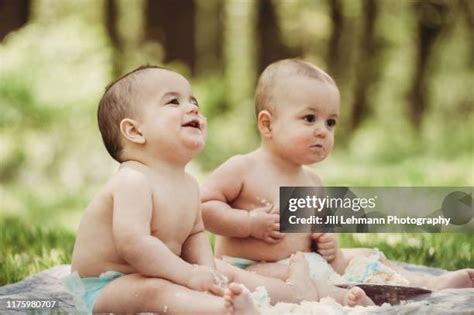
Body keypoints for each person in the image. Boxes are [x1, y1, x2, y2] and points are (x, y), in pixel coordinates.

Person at [64, 65, 366, 314]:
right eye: (174, 102)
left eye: (193, 101)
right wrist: (190, 275)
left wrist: (210, 273)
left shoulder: (187, 184)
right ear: (134, 130)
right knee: (154, 290)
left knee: (228, 272)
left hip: (165, 271)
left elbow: (196, 236)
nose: (192, 107)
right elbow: (135, 244)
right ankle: (224, 310)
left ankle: (302, 296)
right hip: (107, 286)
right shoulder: (133, 180)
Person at [201, 58, 474, 294]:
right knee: (300, 278)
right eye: (309, 118)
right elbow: (202, 208)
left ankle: (423, 284)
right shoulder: (243, 168)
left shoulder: (313, 181)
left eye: (330, 122)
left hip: (307, 265)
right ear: (267, 123)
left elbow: (318, 232)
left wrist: (328, 243)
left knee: (365, 257)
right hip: (251, 269)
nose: (323, 130)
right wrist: (248, 223)